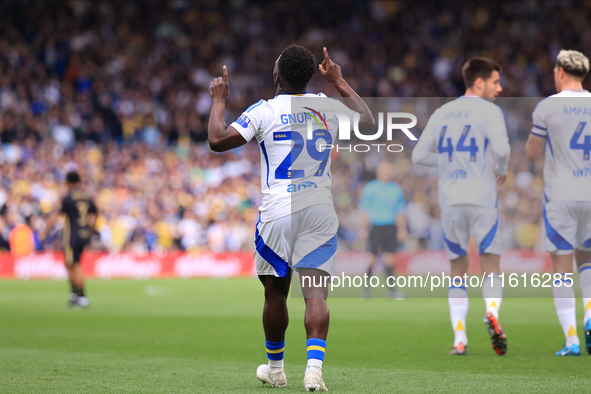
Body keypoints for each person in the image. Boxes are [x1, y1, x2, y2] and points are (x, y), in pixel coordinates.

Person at [208, 45, 374, 391]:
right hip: (319, 211)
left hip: (279, 212)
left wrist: (219, 100)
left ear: (276, 76)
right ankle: (314, 371)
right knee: (316, 296)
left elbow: (217, 139)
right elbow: (368, 122)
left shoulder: (264, 110)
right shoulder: (325, 106)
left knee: (275, 295)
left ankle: (276, 368)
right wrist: (340, 82)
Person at [411, 57, 510, 356]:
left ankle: (459, 338)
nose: (500, 88)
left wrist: (444, 160)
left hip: (450, 199)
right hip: (482, 197)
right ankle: (492, 312)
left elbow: (418, 157)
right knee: (490, 264)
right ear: (479, 82)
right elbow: (503, 150)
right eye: (495, 82)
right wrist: (501, 168)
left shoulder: (443, 112)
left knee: (457, 270)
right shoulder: (490, 111)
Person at [525, 49, 591, 356]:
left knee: (562, 269)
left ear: (561, 72)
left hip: (561, 197)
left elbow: (532, 153)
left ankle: (572, 340)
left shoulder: (548, 107)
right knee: (587, 262)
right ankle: (590, 317)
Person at [40, 172, 98, 308]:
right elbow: (94, 213)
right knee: (69, 263)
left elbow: (56, 216)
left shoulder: (68, 198)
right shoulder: (86, 196)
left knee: (74, 265)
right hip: (83, 235)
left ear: (68, 183)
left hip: (72, 236)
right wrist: (90, 228)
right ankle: (75, 295)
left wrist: (44, 232)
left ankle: (81, 297)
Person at [359, 161, 407, 299]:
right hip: (376, 227)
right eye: (384, 170)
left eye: (388, 170)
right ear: (378, 172)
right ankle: (365, 290)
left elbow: (400, 211)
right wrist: (363, 228)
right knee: (372, 259)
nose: (386, 173)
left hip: (390, 227)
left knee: (390, 260)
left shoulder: (396, 189)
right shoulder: (370, 188)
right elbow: (364, 209)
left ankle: (392, 291)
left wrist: (402, 229)